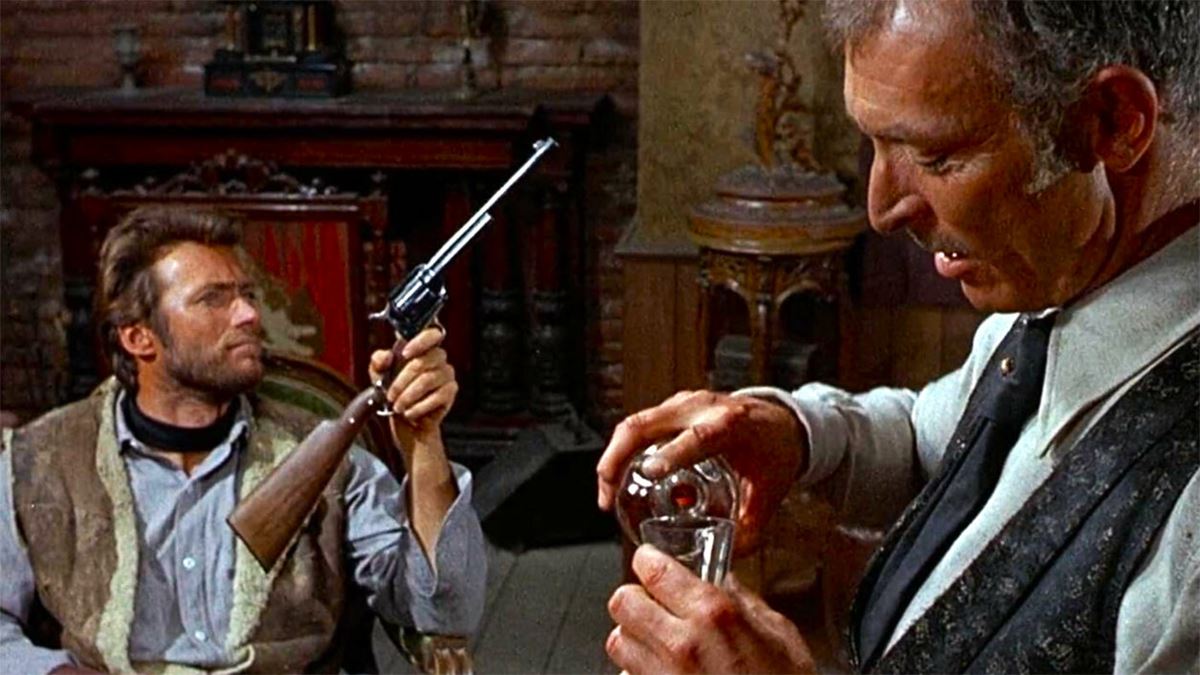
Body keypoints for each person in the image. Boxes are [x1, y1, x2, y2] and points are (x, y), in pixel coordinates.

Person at [597, 1, 1199, 673]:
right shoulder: (1057, 285)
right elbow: (930, 440)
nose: (881, 209)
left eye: (935, 156)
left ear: (1113, 121)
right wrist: (795, 434)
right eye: (875, 143)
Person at [0, 207, 486, 673]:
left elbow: (444, 612)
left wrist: (423, 443)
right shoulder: (40, 461)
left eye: (247, 295)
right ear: (138, 338)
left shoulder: (326, 458)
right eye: (213, 299)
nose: (249, 314)